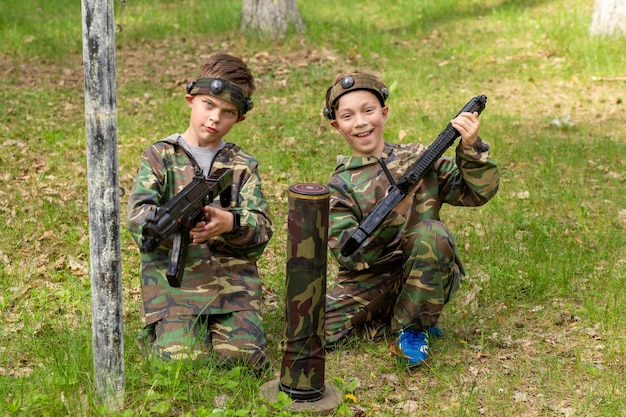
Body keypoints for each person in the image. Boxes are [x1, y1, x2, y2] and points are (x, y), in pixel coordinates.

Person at [322, 72, 499, 367]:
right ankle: (395, 320)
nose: (361, 122)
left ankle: (413, 327)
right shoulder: (339, 186)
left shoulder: (419, 158)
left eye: (368, 110)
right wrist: (395, 211)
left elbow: (477, 192)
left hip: (423, 268)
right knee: (313, 331)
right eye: (348, 116)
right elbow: (348, 256)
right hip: (369, 279)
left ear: (384, 112)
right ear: (336, 125)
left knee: (431, 232)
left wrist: (471, 148)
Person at [127, 53, 273, 372]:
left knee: (243, 359)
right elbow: (138, 217)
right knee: (180, 363)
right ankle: (164, 328)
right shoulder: (159, 156)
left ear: (239, 119)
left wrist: (230, 223)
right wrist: (170, 225)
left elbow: (261, 228)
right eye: (208, 104)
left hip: (232, 286)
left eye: (228, 112)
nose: (215, 118)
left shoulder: (242, 166)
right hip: (174, 286)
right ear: (190, 100)